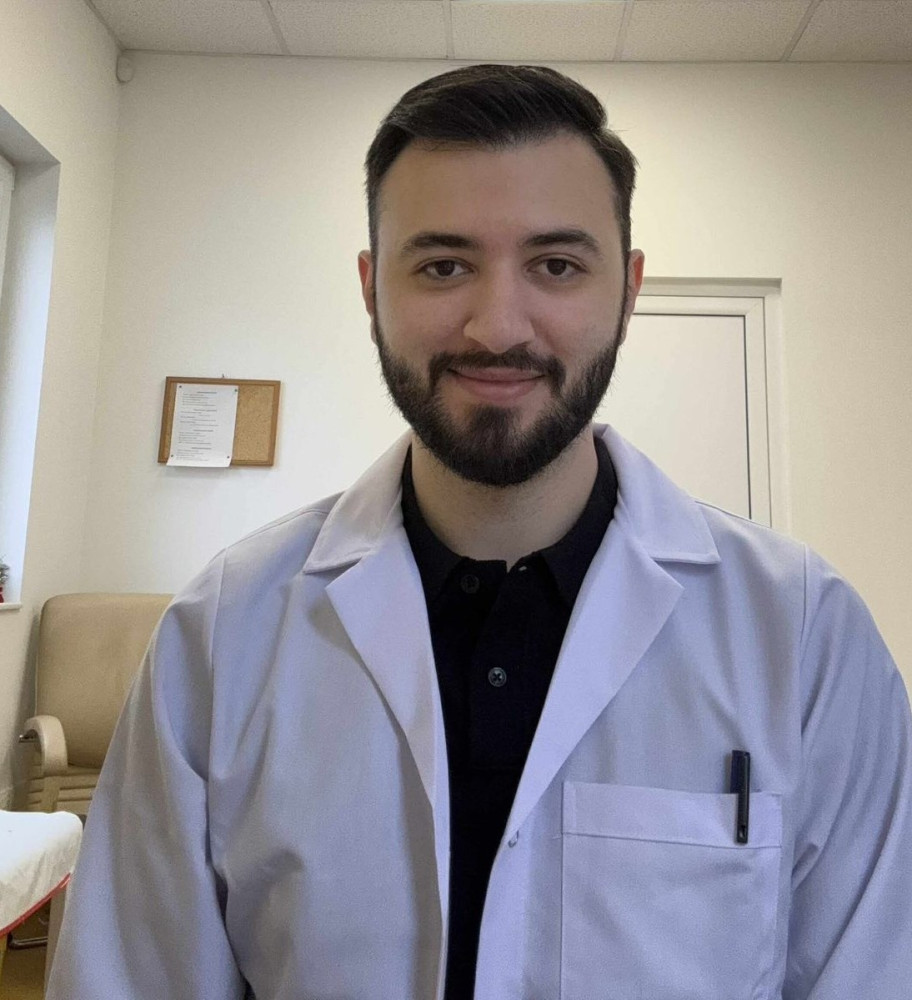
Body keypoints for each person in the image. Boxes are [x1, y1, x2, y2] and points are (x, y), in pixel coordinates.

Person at [48, 64, 911, 1000]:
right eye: (444, 266)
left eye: (556, 265)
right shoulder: (223, 632)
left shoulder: (804, 635)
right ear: (372, 288)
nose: (497, 327)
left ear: (628, 290)